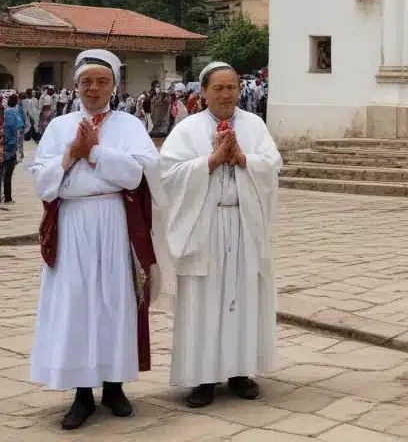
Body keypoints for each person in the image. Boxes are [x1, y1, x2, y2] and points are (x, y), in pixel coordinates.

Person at [28, 49, 164, 431]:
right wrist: (72, 151)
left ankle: (115, 386)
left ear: (114, 86)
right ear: (75, 85)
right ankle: (82, 393)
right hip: (73, 222)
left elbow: (141, 173)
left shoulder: (130, 124)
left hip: (113, 221)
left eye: (102, 81)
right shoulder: (58, 126)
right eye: (86, 81)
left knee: (114, 299)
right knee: (77, 302)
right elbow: (41, 179)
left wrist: (97, 153)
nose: (93, 88)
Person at [160, 61, 282, 408]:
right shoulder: (187, 130)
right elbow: (168, 173)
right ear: (204, 92)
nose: (227, 94)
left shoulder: (254, 125)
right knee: (204, 298)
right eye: (219, 88)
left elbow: (273, 165)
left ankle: (240, 371)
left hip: (243, 222)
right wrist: (211, 160)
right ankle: (202, 377)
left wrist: (243, 158)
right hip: (205, 226)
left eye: (232, 88)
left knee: (243, 295)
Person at [2, 96, 23, 205]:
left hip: (8, 146)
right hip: (9, 147)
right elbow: (15, 126)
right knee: (7, 174)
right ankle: (7, 198)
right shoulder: (11, 113)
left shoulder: (7, 112)